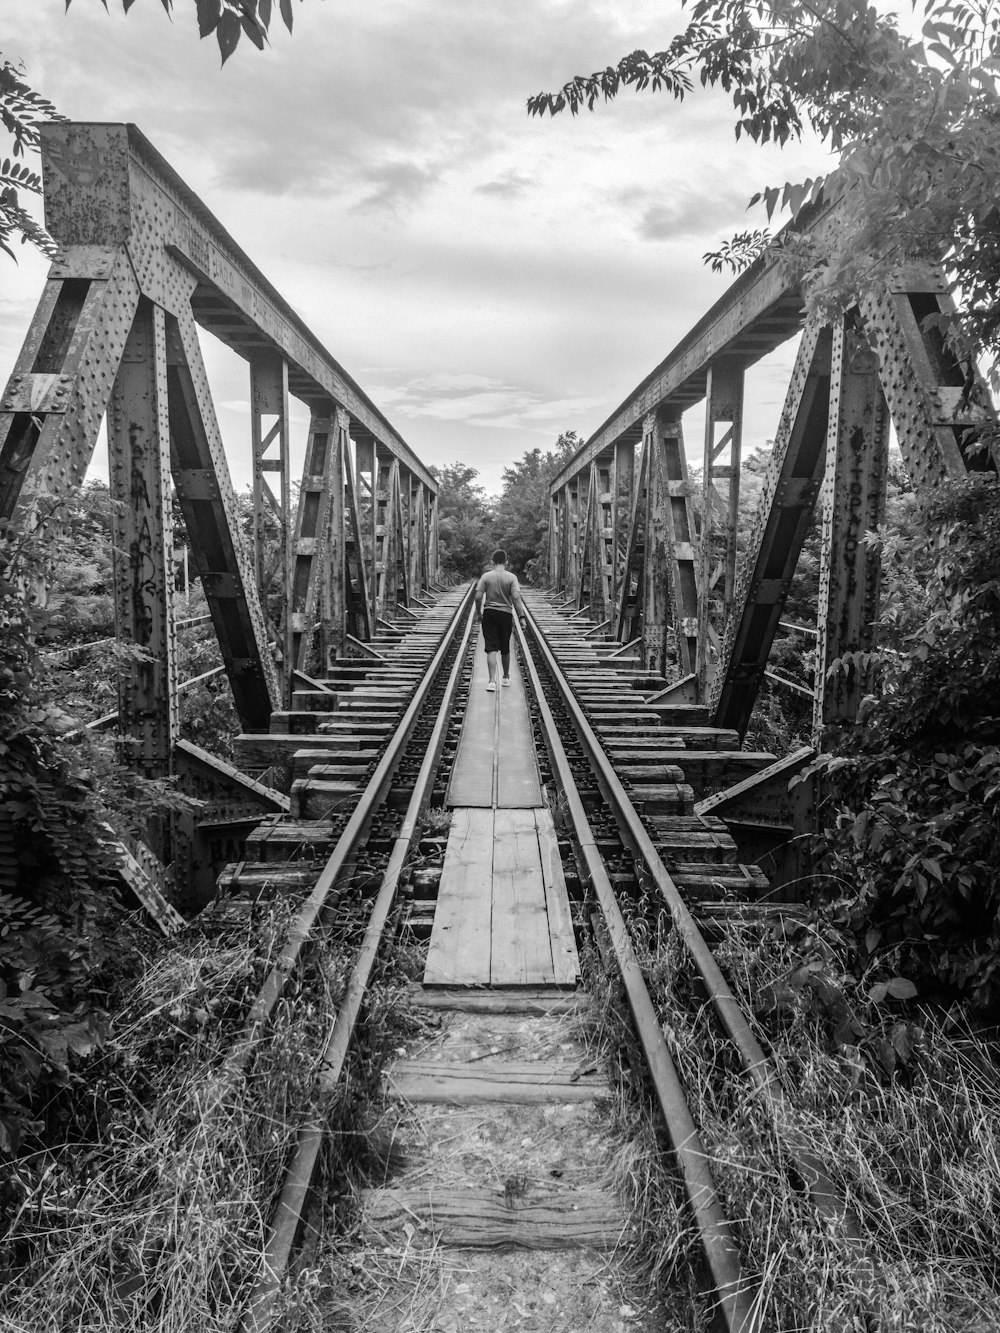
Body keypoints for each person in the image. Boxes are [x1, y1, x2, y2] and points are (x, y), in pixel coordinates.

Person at [474, 549, 527, 692]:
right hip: (505, 614)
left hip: (489, 613)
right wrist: (521, 617)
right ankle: (505, 677)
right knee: (505, 647)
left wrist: (479, 613)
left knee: (491, 648)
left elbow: (478, 597)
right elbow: (516, 598)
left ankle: (491, 681)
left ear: (492, 561)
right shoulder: (511, 577)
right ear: (506, 562)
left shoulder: (486, 577)